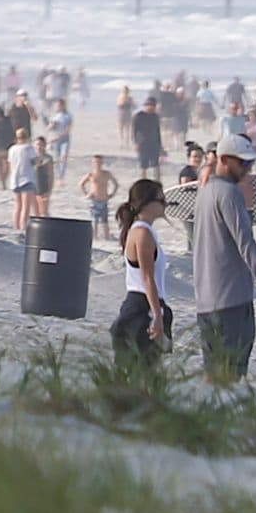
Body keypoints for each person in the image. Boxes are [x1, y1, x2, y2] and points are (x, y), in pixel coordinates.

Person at [191, 134, 256, 383]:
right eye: (243, 163)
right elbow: (245, 244)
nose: (247, 170)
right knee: (231, 377)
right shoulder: (228, 193)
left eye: (250, 164)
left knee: (212, 378)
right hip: (231, 302)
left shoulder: (205, 192)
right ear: (224, 159)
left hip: (206, 302)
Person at [110, 178, 173, 366]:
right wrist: (157, 316)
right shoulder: (142, 233)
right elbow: (147, 279)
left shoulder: (146, 231)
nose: (165, 204)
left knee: (149, 370)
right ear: (146, 203)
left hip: (144, 304)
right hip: (141, 306)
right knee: (142, 369)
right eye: (160, 200)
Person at [79, 156, 121, 241]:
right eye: (95, 162)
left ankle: (106, 237)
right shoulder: (91, 175)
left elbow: (115, 184)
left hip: (104, 200)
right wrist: (87, 194)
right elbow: (81, 184)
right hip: (94, 200)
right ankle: (95, 238)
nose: (97, 164)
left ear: (102, 163)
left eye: (99, 162)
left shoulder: (106, 174)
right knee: (95, 220)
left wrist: (112, 194)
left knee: (105, 220)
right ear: (93, 164)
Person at [7, 127, 37, 232]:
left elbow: (10, 163)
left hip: (15, 179)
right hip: (26, 178)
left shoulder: (12, 149)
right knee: (25, 206)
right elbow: (34, 162)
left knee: (17, 206)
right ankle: (23, 227)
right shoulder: (29, 148)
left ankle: (16, 227)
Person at [132, 96, 164, 180]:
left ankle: (157, 183)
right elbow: (134, 131)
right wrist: (136, 143)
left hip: (154, 144)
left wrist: (160, 146)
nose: (151, 108)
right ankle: (143, 183)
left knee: (156, 165)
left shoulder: (155, 116)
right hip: (142, 144)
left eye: (153, 106)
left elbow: (158, 132)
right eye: (149, 106)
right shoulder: (139, 116)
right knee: (143, 166)